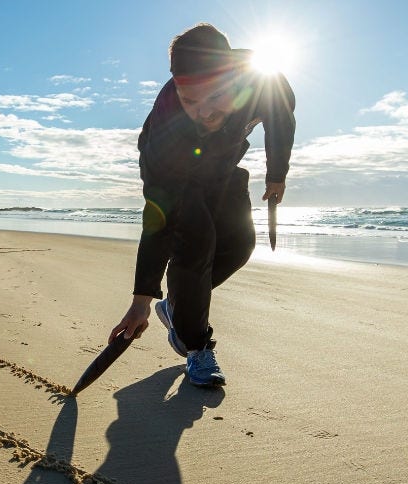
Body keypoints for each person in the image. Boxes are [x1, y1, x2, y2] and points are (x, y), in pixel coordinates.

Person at [108, 23, 296, 387]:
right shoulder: (166, 132)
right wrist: (142, 299)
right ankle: (196, 346)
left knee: (240, 245)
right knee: (196, 244)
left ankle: (178, 308)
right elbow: (159, 221)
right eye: (189, 100)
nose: (203, 113)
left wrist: (277, 175)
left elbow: (281, 122)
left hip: (222, 164)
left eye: (214, 98)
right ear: (176, 86)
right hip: (176, 169)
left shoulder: (265, 80)